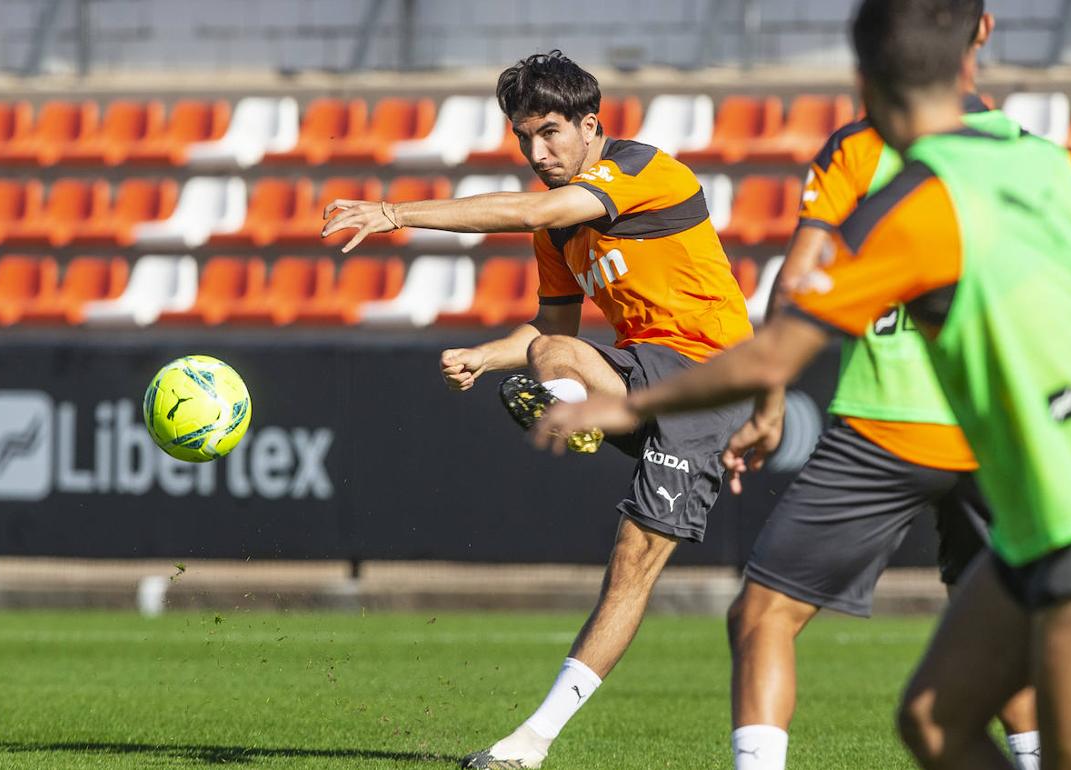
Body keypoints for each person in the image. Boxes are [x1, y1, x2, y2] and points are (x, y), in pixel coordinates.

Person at [532, 0, 1071, 767]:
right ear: (974, 53)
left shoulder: (915, 210)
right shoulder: (1065, 168)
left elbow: (775, 350)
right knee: (933, 723)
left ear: (865, 84)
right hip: (1054, 503)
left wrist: (628, 405)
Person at [322, 51, 755, 769]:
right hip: (638, 371)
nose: (537, 151)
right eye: (524, 138)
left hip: (712, 381)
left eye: (550, 132)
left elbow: (538, 207)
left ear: (591, 124)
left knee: (633, 562)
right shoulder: (556, 233)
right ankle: (567, 407)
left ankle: (531, 739)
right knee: (549, 356)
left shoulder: (646, 171)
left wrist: (397, 212)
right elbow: (552, 330)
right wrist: (480, 357)